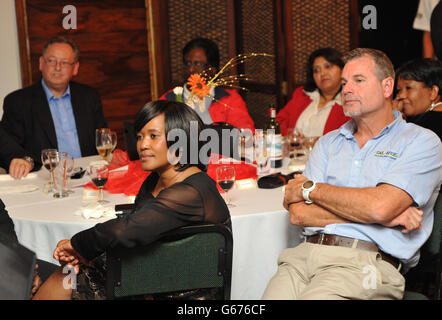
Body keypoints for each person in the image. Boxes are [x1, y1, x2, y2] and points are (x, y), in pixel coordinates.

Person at [262, 48, 442, 300]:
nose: (347, 89)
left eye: (359, 80)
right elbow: (300, 214)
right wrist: (385, 218)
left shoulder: (420, 142)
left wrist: (310, 189)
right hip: (301, 258)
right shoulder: (328, 143)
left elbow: (379, 207)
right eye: (345, 82)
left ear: (387, 86)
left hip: (365, 263)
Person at [33, 100, 231, 300]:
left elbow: (124, 230)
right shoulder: (156, 180)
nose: (143, 145)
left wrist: (77, 245)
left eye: (153, 136)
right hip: (151, 277)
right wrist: (82, 254)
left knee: (66, 277)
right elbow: (137, 231)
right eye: (140, 137)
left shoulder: (191, 191)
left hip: (179, 291)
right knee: (69, 273)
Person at [1, 36, 107, 177]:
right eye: (51, 61)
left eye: (64, 62)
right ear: (41, 63)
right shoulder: (18, 102)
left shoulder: (89, 97)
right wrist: (22, 160)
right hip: (44, 180)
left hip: (88, 177)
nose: (57, 67)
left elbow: (103, 141)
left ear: (75, 68)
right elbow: (7, 146)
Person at [160, 38, 255, 131]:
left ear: (212, 70)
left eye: (197, 64)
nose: (191, 69)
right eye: (188, 63)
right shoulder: (168, 100)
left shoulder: (229, 100)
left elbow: (246, 134)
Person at [276, 47, 351, 137]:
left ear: (342, 69)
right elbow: (279, 121)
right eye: (316, 70)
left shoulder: (350, 101)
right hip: (293, 150)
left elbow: (352, 136)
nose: (322, 73)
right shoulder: (302, 94)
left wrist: (318, 143)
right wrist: (288, 137)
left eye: (328, 66)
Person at [395, 58, 442, 140]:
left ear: (432, 92)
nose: (400, 96)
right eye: (399, 90)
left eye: (408, 88)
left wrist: (393, 118)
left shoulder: (429, 124)